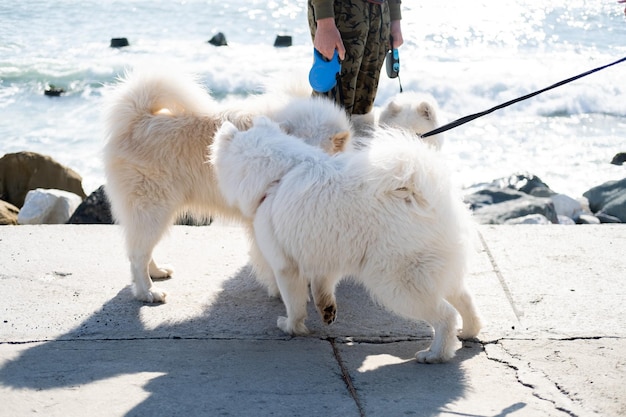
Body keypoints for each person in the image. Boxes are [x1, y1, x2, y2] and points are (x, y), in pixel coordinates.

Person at [308, 0, 403, 116]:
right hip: (342, 10)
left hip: (381, 12)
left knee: (363, 107)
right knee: (329, 110)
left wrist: (395, 16)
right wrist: (325, 22)